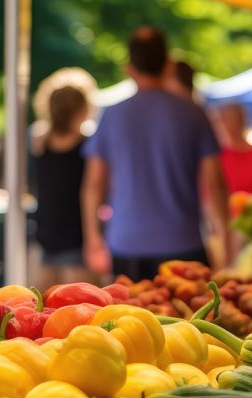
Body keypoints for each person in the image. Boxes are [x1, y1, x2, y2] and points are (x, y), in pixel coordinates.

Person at [82, 26, 232, 279]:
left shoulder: (112, 115)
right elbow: (215, 184)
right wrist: (225, 241)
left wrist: (93, 238)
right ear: (169, 64)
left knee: (128, 318)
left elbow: (94, 184)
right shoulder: (194, 113)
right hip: (183, 244)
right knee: (186, 319)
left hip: (126, 243)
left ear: (129, 67)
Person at [31, 68, 99, 288]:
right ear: (83, 109)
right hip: (77, 238)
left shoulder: (39, 143)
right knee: (81, 307)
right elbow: (93, 192)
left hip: (47, 237)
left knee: (45, 307)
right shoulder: (88, 146)